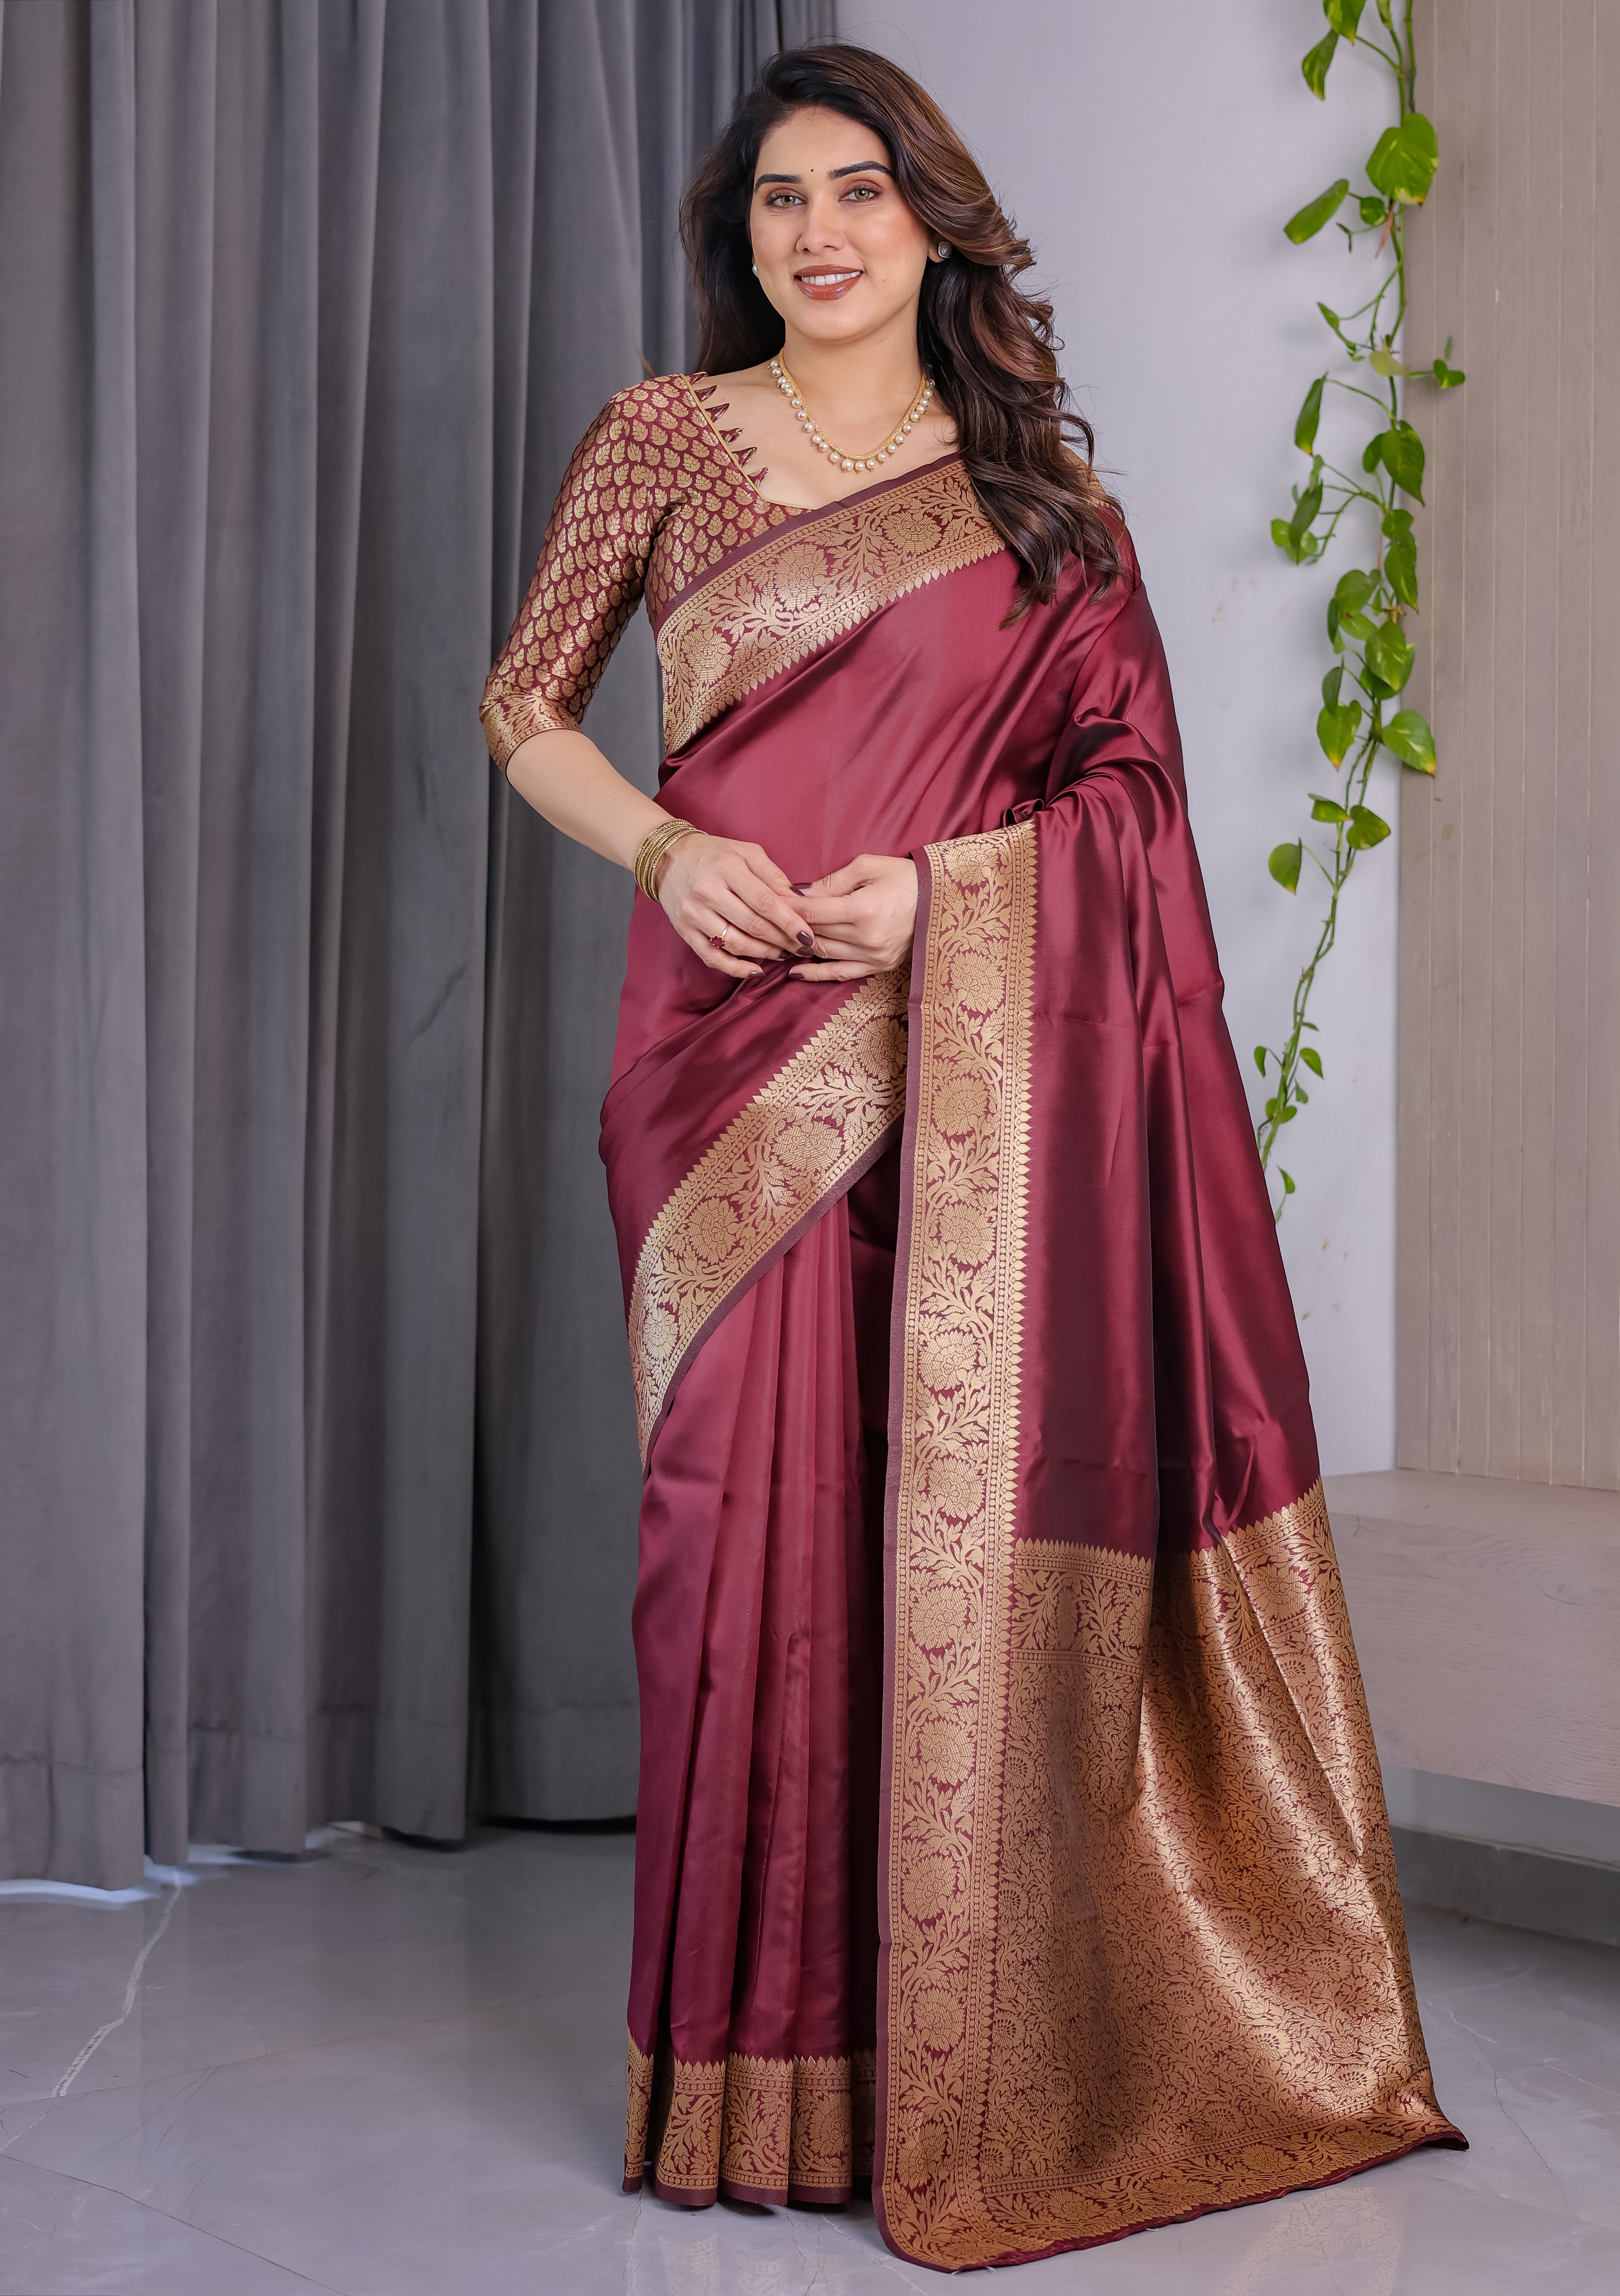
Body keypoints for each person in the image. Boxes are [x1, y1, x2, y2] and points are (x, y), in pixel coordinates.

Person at [479, 42, 1462, 2273]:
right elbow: (524, 703)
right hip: (719, 1076)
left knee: (920, 1548)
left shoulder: (1046, 514)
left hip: (959, 1090)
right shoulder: (662, 437)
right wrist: (667, 853)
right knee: (734, 1545)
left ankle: (946, 2070)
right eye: (780, 201)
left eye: (860, 191)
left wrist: (940, 900)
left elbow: (1133, 808)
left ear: (933, 219)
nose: (819, 233)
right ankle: (741, 2083)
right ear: (741, 239)